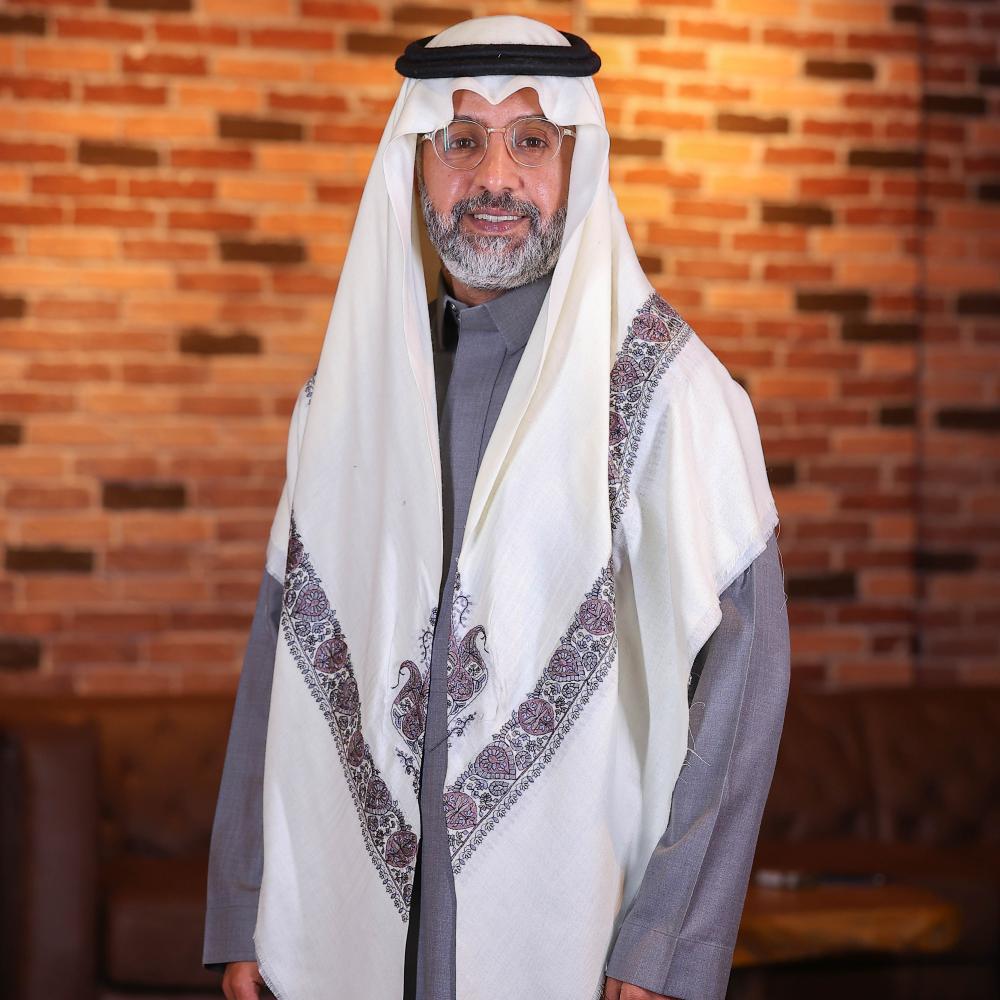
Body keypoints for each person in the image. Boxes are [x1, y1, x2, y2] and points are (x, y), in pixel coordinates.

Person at [202, 15, 790, 1000]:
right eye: (462, 141)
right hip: (354, 927)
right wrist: (244, 901)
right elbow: (284, 645)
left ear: (577, 163)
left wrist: (663, 942)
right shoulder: (344, 397)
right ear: (415, 163)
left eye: (531, 141)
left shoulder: (666, 392)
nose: (494, 179)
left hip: (576, 932)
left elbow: (745, 679)